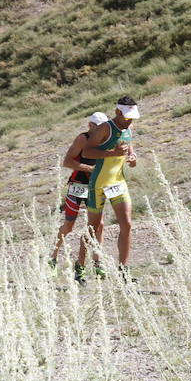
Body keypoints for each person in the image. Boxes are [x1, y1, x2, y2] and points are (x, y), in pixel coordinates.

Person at [81, 95, 140, 282]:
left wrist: (132, 158)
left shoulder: (129, 127)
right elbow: (87, 151)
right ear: (116, 112)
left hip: (118, 182)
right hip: (98, 183)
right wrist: (112, 153)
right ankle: (80, 267)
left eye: (132, 116)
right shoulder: (105, 128)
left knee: (127, 224)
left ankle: (124, 271)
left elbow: (129, 151)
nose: (129, 120)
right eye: (126, 116)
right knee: (93, 228)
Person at [49, 112, 108, 282]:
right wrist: (90, 170)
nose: (101, 130)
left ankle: (98, 262)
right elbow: (67, 162)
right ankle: (52, 257)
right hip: (78, 186)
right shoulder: (82, 139)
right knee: (69, 226)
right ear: (90, 125)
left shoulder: (105, 139)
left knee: (99, 225)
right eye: (98, 126)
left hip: (95, 187)